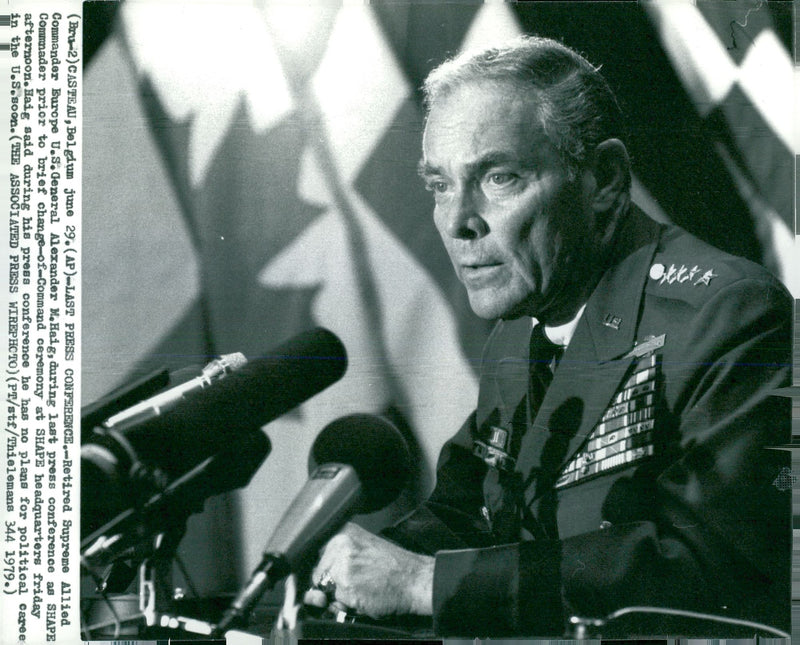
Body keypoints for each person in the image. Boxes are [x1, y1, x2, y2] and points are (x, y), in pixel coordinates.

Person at [304, 35, 792, 638]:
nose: (458, 222)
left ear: (606, 180)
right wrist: (345, 573)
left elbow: (712, 567)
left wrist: (420, 583)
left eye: (499, 178)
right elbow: (465, 513)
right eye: (439, 184)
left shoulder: (729, 312)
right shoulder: (521, 329)